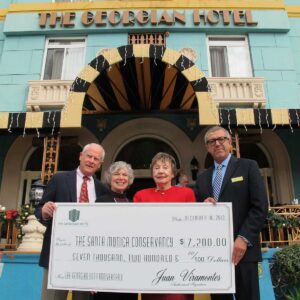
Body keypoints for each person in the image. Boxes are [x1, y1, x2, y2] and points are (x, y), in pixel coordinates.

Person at [195, 126, 268, 300]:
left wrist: (244, 238)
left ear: (230, 143)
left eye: (221, 139)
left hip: (244, 250)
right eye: (211, 141)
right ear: (207, 147)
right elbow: (196, 213)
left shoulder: (248, 166)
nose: (217, 143)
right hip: (215, 255)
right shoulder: (202, 178)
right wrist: (202, 206)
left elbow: (260, 206)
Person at [35, 143, 108, 300]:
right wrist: (45, 211)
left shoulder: (101, 188)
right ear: (81, 156)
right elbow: (40, 208)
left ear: (100, 164)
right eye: (89, 156)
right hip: (58, 253)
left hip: (86, 256)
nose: (91, 161)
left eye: (96, 159)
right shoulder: (59, 179)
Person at [134, 152, 195, 300]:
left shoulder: (187, 193)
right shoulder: (141, 195)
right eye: (156, 168)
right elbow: (135, 228)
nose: (160, 171)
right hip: (149, 265)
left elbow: (193, 226)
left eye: (165, 167)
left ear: (173, 173)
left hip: (180, 264)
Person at [94, 161, 137, 300]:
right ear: (110, 178)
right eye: (117, 174)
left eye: (125, 175)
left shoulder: (133, 204)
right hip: (105, 271)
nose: (121, 177)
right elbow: (94, 239)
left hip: (129, 271)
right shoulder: (100, 203)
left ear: (129, 180)